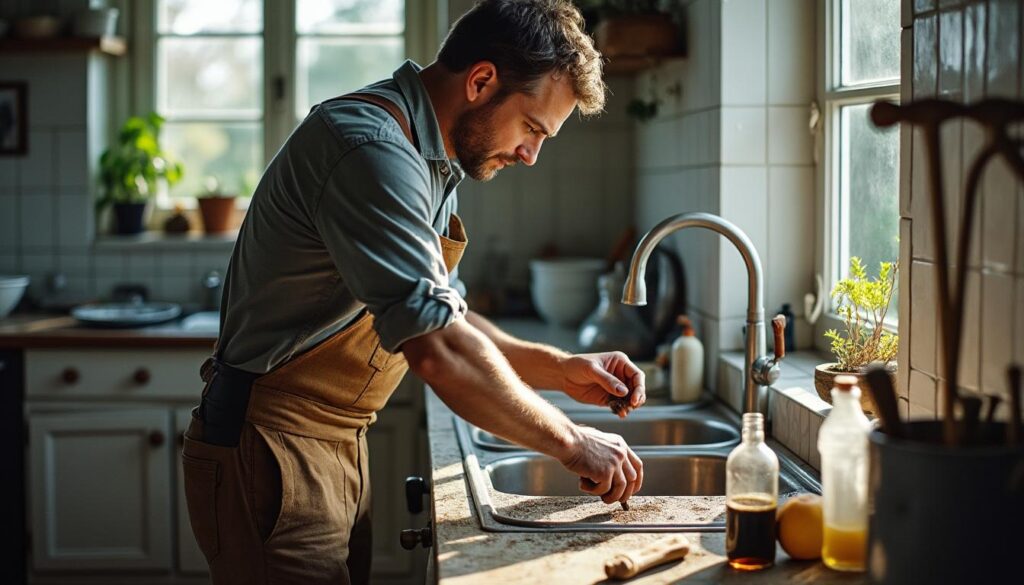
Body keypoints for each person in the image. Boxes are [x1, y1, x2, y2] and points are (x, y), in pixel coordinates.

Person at [181, 1, 646, 584]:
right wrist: (575, 443)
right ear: (481, 81)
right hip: (271, 448)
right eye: (532, 127)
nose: (531, 155)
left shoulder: (431, 160)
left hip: (332, 442)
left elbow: (454, 319)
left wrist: (559, 368)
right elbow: (438, 350)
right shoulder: (371, 150)